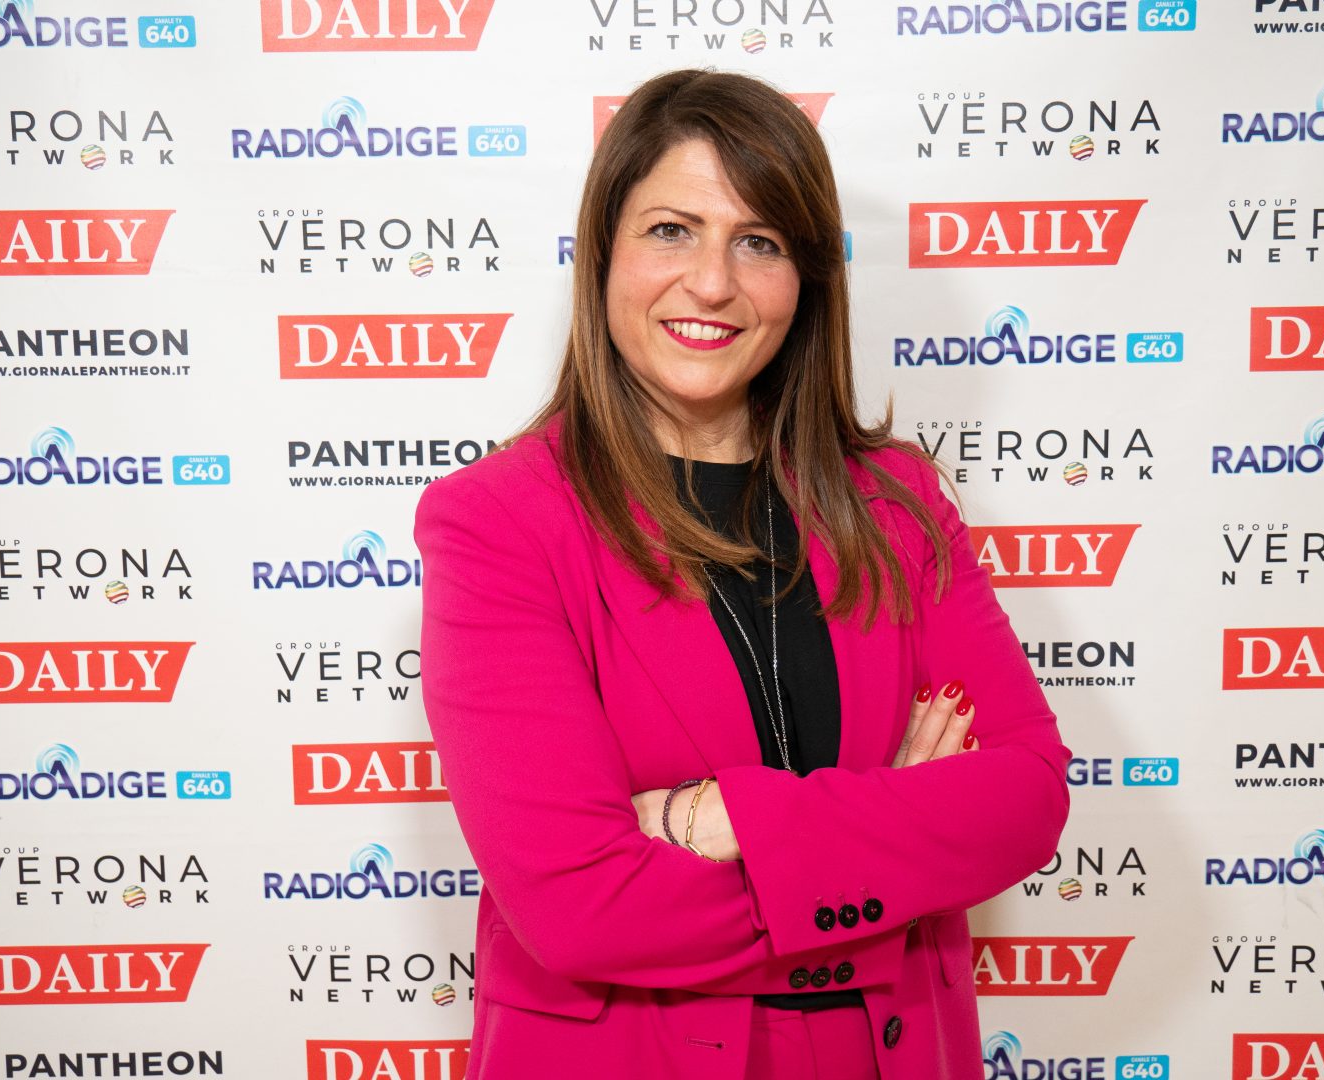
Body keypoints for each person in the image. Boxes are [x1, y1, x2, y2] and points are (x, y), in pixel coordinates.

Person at [416, 69, 1069, 1080]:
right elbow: (581, 908)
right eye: (671, 230)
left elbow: (1024, 798)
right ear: (603, 253)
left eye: (758, 241)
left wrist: (715, 819)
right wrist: (896, 843)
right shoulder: (498, 522)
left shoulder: (896, 502)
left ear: (805, 279)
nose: (712, 283)